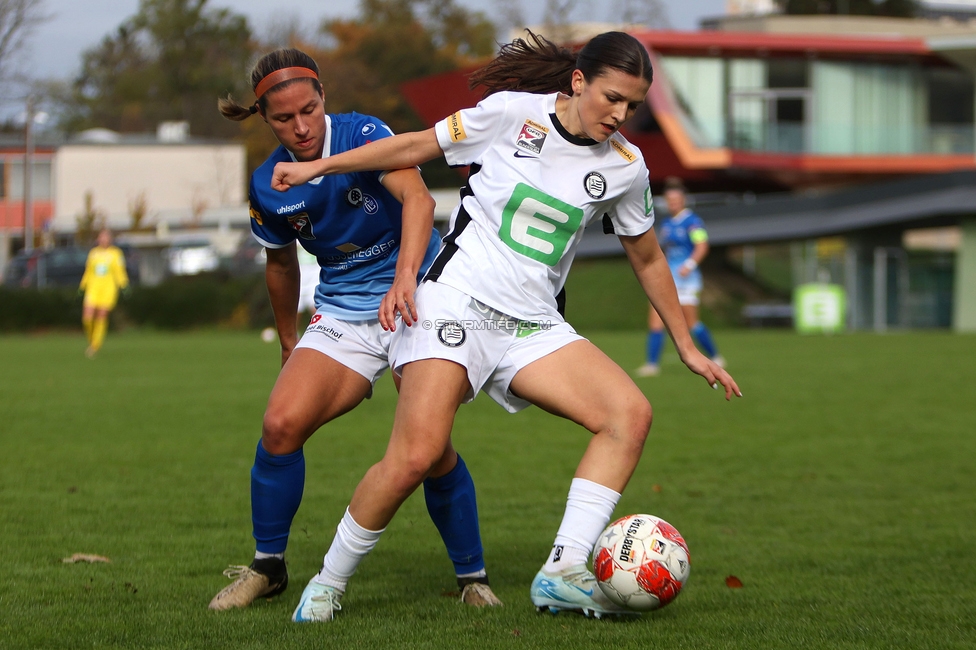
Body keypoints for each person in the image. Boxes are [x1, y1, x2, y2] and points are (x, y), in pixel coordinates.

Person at [271, 31, 741, 622]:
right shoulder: (511, 115)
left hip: (532, 323)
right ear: (578, 82)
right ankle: (328, 584)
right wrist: (322, 165)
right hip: (453, 305)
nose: (620, 115)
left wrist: (686, 345)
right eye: (612, 98)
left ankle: (563, 571)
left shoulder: (627, 167)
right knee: (416, 456)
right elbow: (415, 144)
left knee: (629, 415)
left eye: (633, 106)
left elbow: (647, 257)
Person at [208, 48, 500, 614]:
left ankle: (473, 577)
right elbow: (280, 263)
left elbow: (419, 200)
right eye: (285, 118)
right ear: (265, 119)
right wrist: (290, 337)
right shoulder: (268, 184)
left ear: (324, 99)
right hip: (343, 312)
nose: (301, 127)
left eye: (310, 110)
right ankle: (268, 567)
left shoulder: (365, 133)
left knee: (428, 448)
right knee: (280, 423)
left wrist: (404, 280)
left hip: (421, 296)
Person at [636, 177, 724, 377]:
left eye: (676, 199)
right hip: (668, 278)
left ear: (683, 199)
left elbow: (702, 246)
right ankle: (652, 364)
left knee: (691, 322)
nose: (673, 203)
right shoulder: (666, 223)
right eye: (669, 199)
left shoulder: (692, 222)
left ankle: (715, 355)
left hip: (686, 278)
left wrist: (689, 264)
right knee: (655, 319)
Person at [79, 228, 129, 358]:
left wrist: (124, 284)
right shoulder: (93, 253)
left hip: (108, 289)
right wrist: (83, 285)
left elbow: (120, 271)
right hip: (93, 288)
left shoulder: (116, 253)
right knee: (87, 318)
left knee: (101, 315)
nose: (103, 239)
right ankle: (92, 340)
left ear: (110, 239)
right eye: (101, 237)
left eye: (106, 237)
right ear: (98, 239)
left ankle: (95, 345)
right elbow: (88, 271)